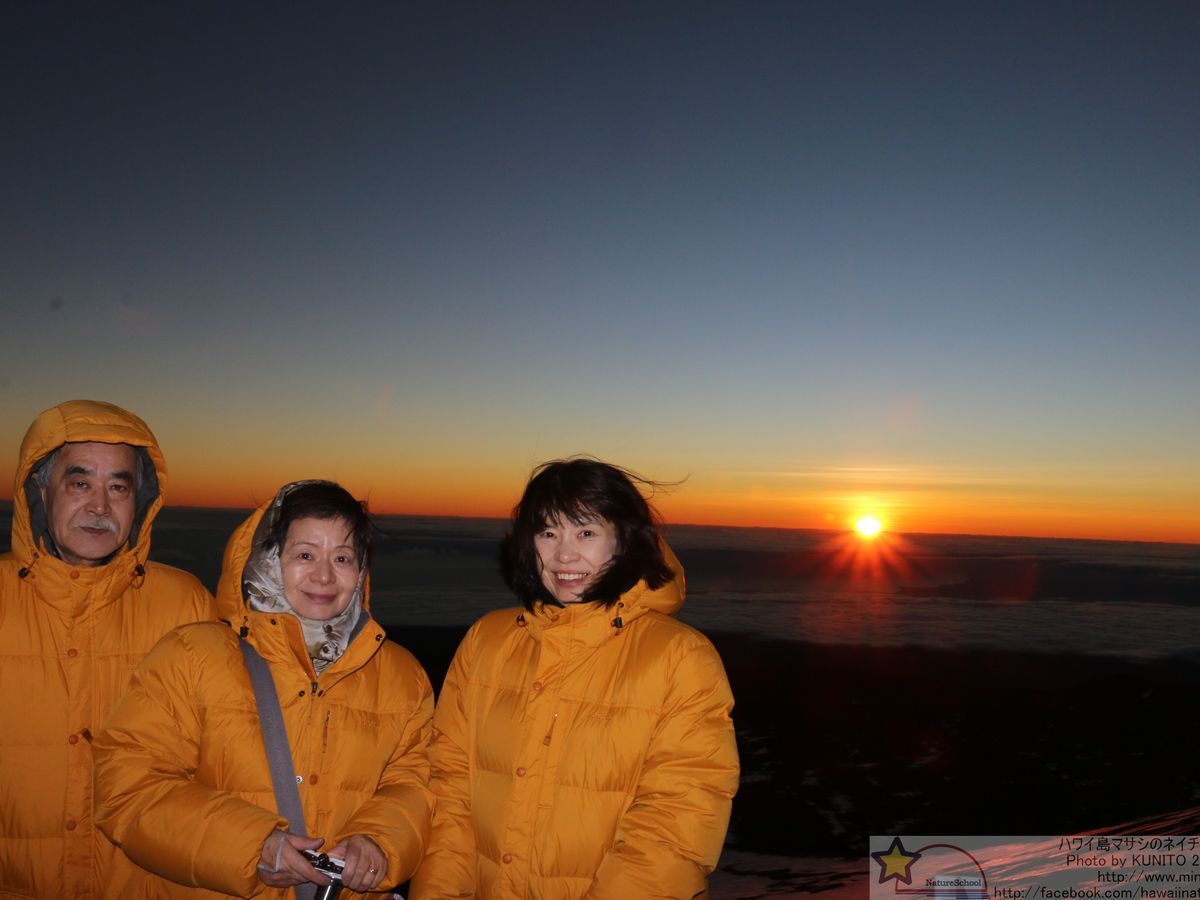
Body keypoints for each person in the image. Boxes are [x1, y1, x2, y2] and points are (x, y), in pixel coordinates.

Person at [410, 458, 739, 900]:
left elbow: (676, 823)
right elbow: (448, 789)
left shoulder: (680, 657)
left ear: (624, 539)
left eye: (586, 532)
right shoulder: (488, 641)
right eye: (548, 533)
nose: (564, 555)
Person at [93, 480, 434, 898]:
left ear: (360, 571)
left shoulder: (401, 676)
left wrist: (378, 841)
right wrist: (251, 845)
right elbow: (127, 787)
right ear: (268, 560)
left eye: (342, 558)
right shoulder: (192, 655)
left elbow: (412, 785)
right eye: (305, 555)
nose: (324, 575)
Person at [0, 399, 218, 899]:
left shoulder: (185, 604)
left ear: (140, 500)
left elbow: (232, 755)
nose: (100, 506)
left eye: (118, 487)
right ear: (40, 489)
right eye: (80, 483)